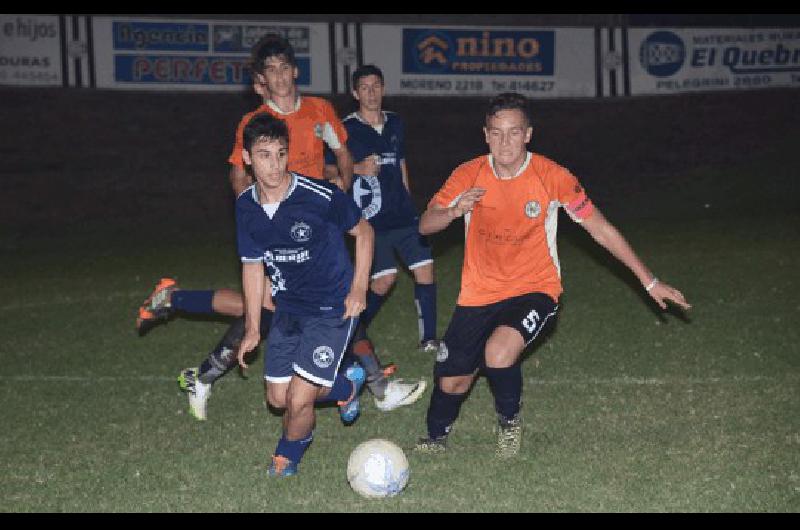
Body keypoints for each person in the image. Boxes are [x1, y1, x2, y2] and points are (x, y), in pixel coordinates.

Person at [136, 35, 421, 419]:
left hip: (317, 227)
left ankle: (178, 316)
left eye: (285, 67)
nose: (281, 77)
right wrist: (257, 219)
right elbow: (239, 177)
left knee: (325, 306)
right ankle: (200, 369)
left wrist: (343, 187)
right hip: (278, 233)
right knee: (270, 310)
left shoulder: (320, 110)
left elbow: (341, 155)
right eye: (271, 70)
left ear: (295, 71)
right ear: (261, 80)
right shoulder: (254, 124)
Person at [413, 93, 691, 458]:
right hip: (478, 294)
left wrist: (649, 280)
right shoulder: (468, 174)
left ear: (528, 134)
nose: (505, 142)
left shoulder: (552, 176)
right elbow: (425, 224)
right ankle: (435, 438)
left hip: (535, 288)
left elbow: (601, 229)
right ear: (485, 135)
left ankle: (509, 422)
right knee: (453, 380)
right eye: (497, 133)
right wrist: (452, 211)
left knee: (498, 353)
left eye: (514, 133)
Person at [234, 112, 374, 476]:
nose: (275, 164)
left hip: (332, 307)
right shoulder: (245, 206)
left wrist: (359, 288)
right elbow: (252, 265)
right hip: (288, 310)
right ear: (247, 157)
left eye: (281, 154)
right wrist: (252, 328)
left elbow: (364, 232)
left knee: (299, 400)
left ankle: (287, 456)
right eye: (264, 155)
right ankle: (345, 384)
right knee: (278, 399)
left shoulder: (318, 195)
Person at [325, 64, 436, 410]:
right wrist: (356, 169)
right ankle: (353, 333)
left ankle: (430, 340)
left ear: (382, 88)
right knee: (384, 281)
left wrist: (409, 199)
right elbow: (325, 169)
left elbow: (401, 163)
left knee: (426, 269)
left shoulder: (396, 123)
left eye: (376, 86)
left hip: (403, 216)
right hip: (371, 220)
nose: (371, 92)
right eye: (364, 88)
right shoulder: (343, 129)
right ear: (356, 93)